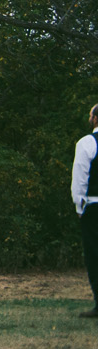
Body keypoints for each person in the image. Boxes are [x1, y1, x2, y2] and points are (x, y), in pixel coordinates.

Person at [72, 103, 98, 318]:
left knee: (94, 255)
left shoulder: (88, 142)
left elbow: (80, 177)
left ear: (95, 119)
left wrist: (79, 205)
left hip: (94, 205)